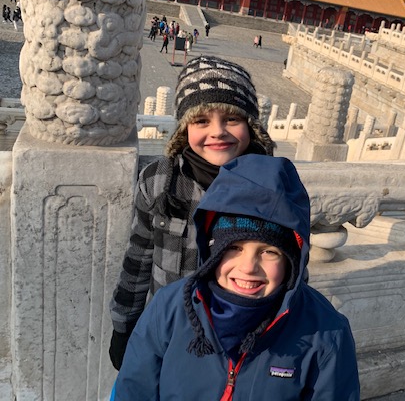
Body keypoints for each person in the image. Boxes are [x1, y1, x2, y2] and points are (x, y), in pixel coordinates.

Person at [112, 155, 360, 400]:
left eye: (269, 252)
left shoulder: (326, 331)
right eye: (233, 248)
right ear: (213, 250)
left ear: (291, 260)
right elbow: (134, 390)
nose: (248, 267)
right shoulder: (168, 308)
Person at [109, 56, 276, 370]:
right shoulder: (160, 182)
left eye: (232, 118)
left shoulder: (272, 189)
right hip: (168, 332)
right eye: (201, 121)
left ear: (251, 126)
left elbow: (293, 275)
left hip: (243, 344)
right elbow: (139, 257)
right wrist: (123, 325)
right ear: (184, 128)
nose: (218, 131)